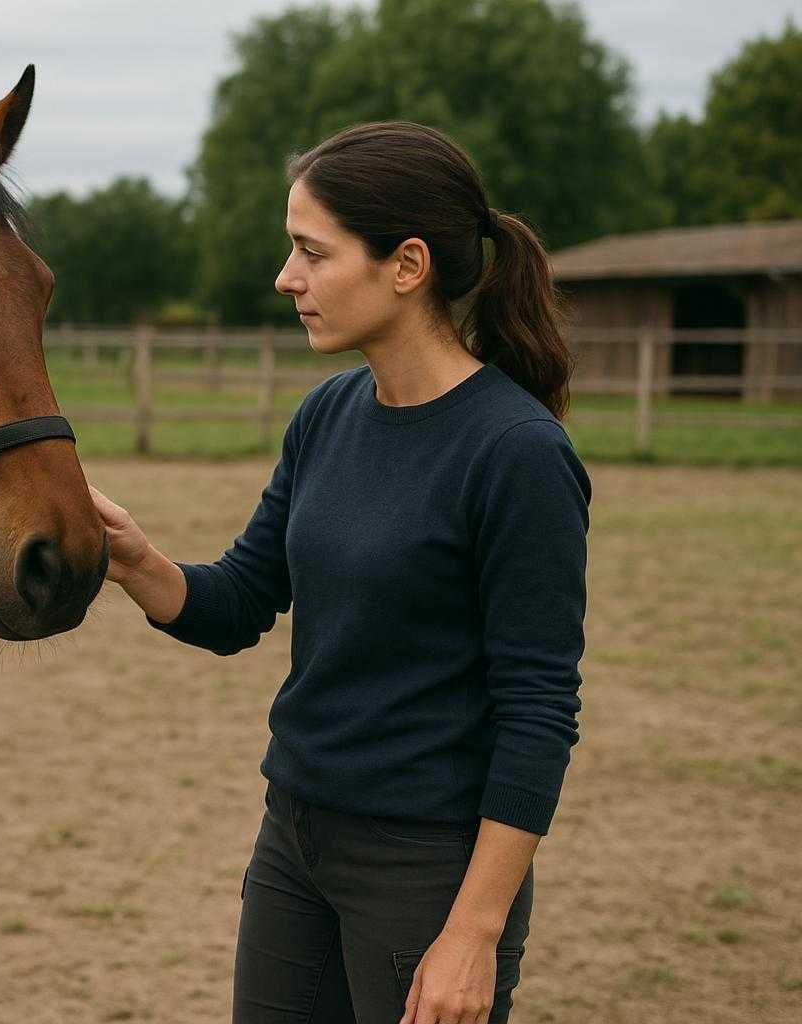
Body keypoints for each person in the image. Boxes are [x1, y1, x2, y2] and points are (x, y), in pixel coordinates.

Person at [89, 121, 590, 1024]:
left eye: (312, 252)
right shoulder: (328, 415)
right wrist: (134, 559)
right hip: (295, 838)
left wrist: (472, 933)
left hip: (426, 870)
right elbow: (240, 601)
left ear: (407, 265)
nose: (287, 278)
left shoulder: (517, 453)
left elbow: (539, 708)